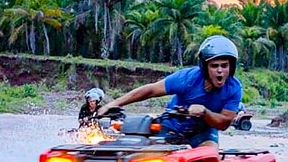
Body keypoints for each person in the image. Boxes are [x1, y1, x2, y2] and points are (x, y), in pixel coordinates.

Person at [97, 35, 242, 147]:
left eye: (224, 66)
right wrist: (113, 104)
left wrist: (205, 112)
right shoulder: (186, 78)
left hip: (203, 131)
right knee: (150, 160)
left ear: (231, 67)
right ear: (205, 67)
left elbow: (224, 123)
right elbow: (150, 90)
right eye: (214, 66)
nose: (220, 71)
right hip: (171, 126)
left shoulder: (234, 88)